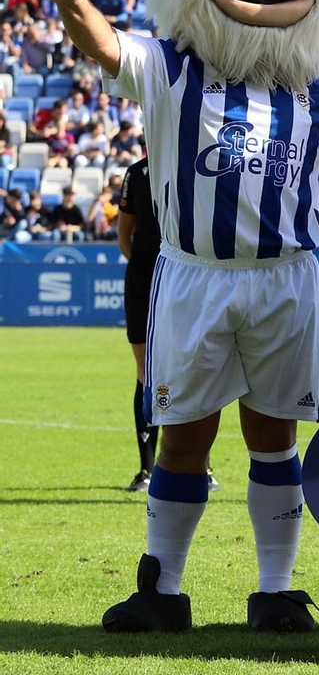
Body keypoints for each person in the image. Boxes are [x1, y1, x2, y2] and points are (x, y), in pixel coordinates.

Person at [43, 0, 319, 636]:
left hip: (288, 276)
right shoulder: (172, 66)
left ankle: (275, 588)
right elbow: (108, 48)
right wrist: (75, 4)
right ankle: (165, 587)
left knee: (273, 438)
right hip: (194, 273)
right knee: (184, 438)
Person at [117, 157, 164, 492]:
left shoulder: (195, 161)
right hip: (143, 279)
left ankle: (202, 466)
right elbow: (124, 234)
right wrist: (142, 270)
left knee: (199, 369)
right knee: (145, 371)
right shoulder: (137, 173)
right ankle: (146, 470)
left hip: (188, 277)